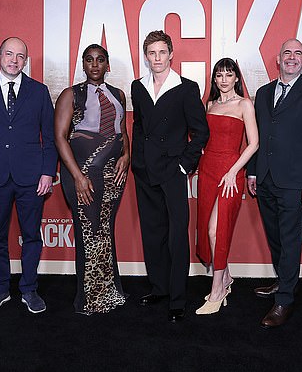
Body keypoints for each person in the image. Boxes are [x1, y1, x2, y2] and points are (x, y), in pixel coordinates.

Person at [0, 37, 58, 315]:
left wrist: (47, 172)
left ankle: (29, 289)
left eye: (20, 56)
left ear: (25, 60)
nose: (14, 60)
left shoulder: (39, 91)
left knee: (31, 235)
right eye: (9, 54)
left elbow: (51, 137)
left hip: (32, 177)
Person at [246, 38, 302, 328]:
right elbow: (256, 138)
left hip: (295, 182)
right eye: (287, 53)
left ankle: (284, 301)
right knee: (275, 237)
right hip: (266, 178)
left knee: (291, 239)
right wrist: (253, 171)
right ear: (278, 60)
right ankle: (283, 281)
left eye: (298, 54)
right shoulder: (264, 92)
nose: (292, 58)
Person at [131, 30, 209, 322]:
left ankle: (177, 298)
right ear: (146, 56)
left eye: (162, 52)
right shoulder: (138, 87)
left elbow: (201, 132)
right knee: (153, 233)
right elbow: (139, 126)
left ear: (171, 54)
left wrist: (184, 165)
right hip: (145, 170)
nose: (157, 58)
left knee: (177, 236)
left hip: (173, 172)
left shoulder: (187, 88)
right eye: (152, 53)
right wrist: (138, 160)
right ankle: (159, 288)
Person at [54, 44, 129, 314]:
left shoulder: (119, 94)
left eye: (100, 60)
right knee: (89, 232)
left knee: (104, 232)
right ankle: (88, 299)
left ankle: (110, 292)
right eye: (89, 60)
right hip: (82, 175)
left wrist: (126, 156)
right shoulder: (70, 94)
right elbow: (60, 138)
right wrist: (77, 176)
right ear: (83, 65)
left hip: (112, 175)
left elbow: (122, 130)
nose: (95, 65)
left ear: (107, 65)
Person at [195, 58, 258, 315]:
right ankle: (226, 277)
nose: (223, 79)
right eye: (219, 75)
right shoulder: (208, 104)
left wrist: (234, 171)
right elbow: (202, 136)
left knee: (216, 230)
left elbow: (254, 143)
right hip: (208, 170)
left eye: (228, 75)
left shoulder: (244, 104)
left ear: (236, 78)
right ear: (214, 79)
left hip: (230, 173)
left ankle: (217, 290)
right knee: (206, 228)